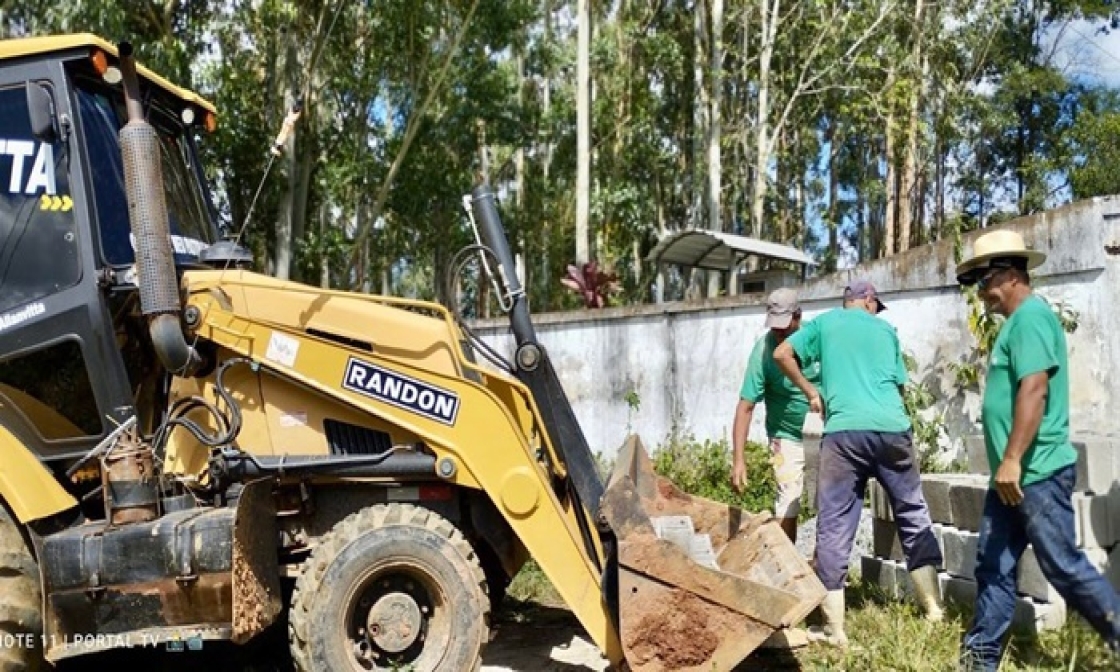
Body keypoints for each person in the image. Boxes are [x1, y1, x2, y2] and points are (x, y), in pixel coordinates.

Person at [954, 230, 1120, 670]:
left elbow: (1035, 390)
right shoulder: (1018, 324)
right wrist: (1007, 467)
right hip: (1013, 479)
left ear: (1008, 276)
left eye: (983, 281)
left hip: (1036, 473)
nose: (981, 293)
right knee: (993, 565)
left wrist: (1011, 459)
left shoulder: (1030, 318)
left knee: (1064, 567)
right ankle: (980, 659)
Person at [772, 279, 944, 648]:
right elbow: (899, 389)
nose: (875, 311)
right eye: (874, 304)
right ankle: (933, 610)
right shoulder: (886, 331)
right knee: (912, 511)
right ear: (866, 301)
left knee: (834, 522)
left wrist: (811, 392)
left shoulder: (824, 323)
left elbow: (782, 353)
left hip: (845, 434)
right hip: (892, 430)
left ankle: (835, 630)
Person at [731, 287, 821, 544]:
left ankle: (822, 571)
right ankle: (788, 573)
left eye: (785, 325)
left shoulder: (816, 338)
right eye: (775, 326)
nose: (779, 331)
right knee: (786, 502)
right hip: (786, 436)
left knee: (826, 501)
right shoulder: (763, 351)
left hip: (825, 432)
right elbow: (746, 406)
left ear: (798, 316)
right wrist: (739, 459)